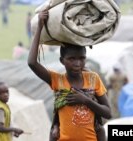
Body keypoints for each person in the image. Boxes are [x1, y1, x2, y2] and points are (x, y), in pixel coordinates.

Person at [28, 10, 111, 141]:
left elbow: (108, 112)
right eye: (72, 59)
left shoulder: (93, 78)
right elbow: (32, 63)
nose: (77, 63)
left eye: (82, 58)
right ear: (62, 61)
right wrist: (40, 26)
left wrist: (85, 100)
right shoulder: (57, 80)